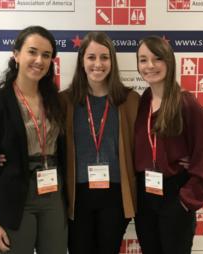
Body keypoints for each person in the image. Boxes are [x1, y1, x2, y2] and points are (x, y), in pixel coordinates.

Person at [0, 26, 67, 254]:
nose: (39, 60)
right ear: (16, 54)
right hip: (17, 197)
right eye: (32, 52)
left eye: (46, 55)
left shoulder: (55, 100)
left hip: (53, 195)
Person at [134, 36, 203, 254]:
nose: (149, 66)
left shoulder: (187, 104)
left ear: (169, 62)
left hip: (175, 193)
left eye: (157, 58)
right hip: (146, 195)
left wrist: (185, 200)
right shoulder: (143, 101)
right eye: (143, 60)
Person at [60, 31, 140, 254]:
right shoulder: (65, 101)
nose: (98, 64)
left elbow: (147, 141)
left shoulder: (130, 100)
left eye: (104, 57)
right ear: (81, 61)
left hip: (115, 194)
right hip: (77, 195)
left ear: (112, 61)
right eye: (91, 57)